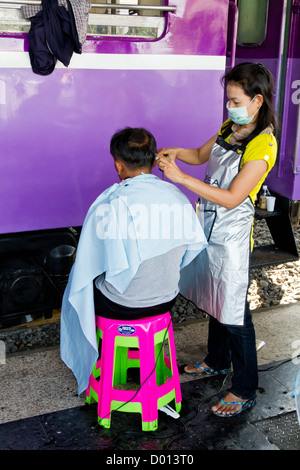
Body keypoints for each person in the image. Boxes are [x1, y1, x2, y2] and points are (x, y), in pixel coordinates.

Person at [156, 62, 278, 417]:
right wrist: (177, 154)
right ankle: (216, 360)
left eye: (235, 100)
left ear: (257, 101)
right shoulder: (232, 126)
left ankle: (244, 388)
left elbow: (232, 197)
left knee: (235, 309)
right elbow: (199, 155)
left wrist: (180, 178)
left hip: (232, 234)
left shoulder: (262, 144)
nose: (230, 106)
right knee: (214, 292)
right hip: (209, 225)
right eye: (227, 99)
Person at [60, 127, 207, 395]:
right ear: (153, 161)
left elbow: (89, 261)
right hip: (165, 300)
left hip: (121, 307)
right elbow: (189, 252)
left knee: (84, 281)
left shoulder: (111, 201)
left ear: (118, 165)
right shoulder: (178, 196)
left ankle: (102, 358)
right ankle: (140, 356)